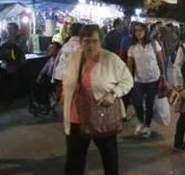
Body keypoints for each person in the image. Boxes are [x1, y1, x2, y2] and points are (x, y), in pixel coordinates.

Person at [62, 24, 133, 175]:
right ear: (80, 42)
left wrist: (113, 94)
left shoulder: (111, 59)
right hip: (77, 117)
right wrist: (65, 95)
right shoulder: (75, 57)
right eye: (87, 41)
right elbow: (68, 81)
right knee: (74, 162)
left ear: (100, 41)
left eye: (95, 41)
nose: (91, 45)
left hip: (102, 116)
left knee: (109, 159)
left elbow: (128, 80)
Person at [127, 22, 165, 137]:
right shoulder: (132, 47)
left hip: (153, 79)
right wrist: (128, 79)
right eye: (136, 31)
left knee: (149, 104)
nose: (138, 33)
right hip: (138, 80)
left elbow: (160, 60)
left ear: (145, 31)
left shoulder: (153, 44)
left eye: (141, 30)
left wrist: (163, 74)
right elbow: (130, 65)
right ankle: (140, 121)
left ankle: (147, 125)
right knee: (137, 103)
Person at [53, 22, 84, 101]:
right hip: (73, 80)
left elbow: (56, 61)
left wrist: (53, 77)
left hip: (60, 78)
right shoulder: (81, 46)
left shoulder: (65, 45)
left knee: (64, 102)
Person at [30, 42, 61, 115]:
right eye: (49, 48)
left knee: (44, 84)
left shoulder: (60, 60)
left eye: (52, 48)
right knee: (34, 82)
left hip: (55, 80)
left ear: (58, 50)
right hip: (48, 79)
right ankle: (39, 103)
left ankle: (45, 104)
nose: (49, 50)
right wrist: (39, 77)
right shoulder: (50, 59)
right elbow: (44, 70)